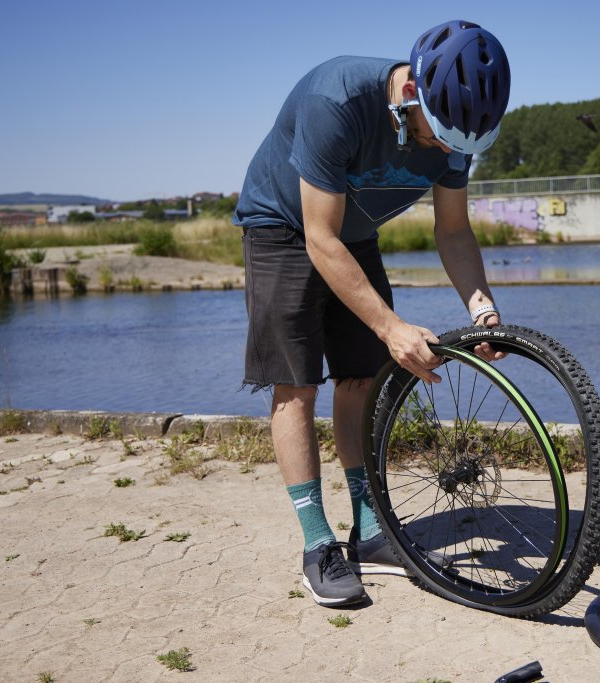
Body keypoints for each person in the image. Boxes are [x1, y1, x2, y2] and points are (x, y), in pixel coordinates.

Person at [233, 20, 512, 607]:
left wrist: (483, 307)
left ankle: (369, 527)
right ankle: (317, 543)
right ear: (411, 95)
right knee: (297, 385)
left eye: (459, 146)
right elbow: (318, 237)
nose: (444, 152)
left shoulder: (457, 131)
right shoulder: (335, 100)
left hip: (352, 234)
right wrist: (392, 326)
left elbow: (454, 230)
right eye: (438, 137)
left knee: (361, 377)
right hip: (285, 228)